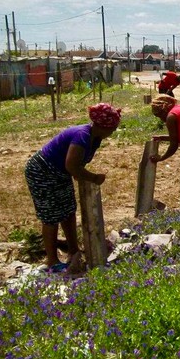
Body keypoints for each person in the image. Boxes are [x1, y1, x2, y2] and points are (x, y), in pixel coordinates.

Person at [24, 103, 121, 273]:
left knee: (68, 211)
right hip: (43, 171)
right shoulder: (82, 136)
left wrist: (83, 175)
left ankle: (73, 251)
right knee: (51, 216)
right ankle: (52, 261)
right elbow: (71, 165)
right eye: (111, 128)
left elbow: (77, 165)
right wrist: (93, 177)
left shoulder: (95, 139)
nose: (112, 132)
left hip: (60, 173)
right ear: (101, 126)